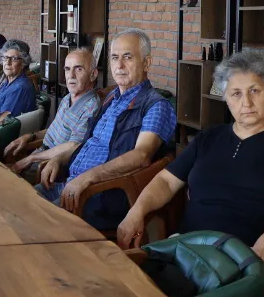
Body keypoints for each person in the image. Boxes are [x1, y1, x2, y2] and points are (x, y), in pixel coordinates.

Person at [117, 50, 264, 287]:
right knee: (129, 281)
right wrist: (137, 211)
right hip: (189, 247)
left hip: (248, 255)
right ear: (226, 98)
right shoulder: (209, 137)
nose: (246, 102)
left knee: (165, 291)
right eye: (236, 93)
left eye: (255, 90)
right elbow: (166, 181)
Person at [39, 29, 177, 230]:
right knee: (18, 201)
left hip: (100, 195)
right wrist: (58, 159)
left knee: (34, 222)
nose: (119, 65)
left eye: (127, 57)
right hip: (70, 184)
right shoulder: (111, 99)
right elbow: (88, 142)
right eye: (114, 58)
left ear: (146, 63)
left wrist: (88, 177)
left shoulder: (156, 106)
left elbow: (141, 155)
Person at [5, 48, 101, 184]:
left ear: (93, 74)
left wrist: (31, 158)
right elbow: (53, 130)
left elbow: (73, 146)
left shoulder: (91, 107)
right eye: (67, 69)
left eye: (78, 69)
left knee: (4, 184)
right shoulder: (67, 98)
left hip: (49, 167)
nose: (71, 75)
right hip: (39, 154)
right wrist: (30, 136)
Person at [0, 40, 37, 118]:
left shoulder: (19, 88)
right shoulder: (7, 82)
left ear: (23, 63)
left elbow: (3, 121)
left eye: (14, 58)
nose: (8, 63)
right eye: (5, 57)